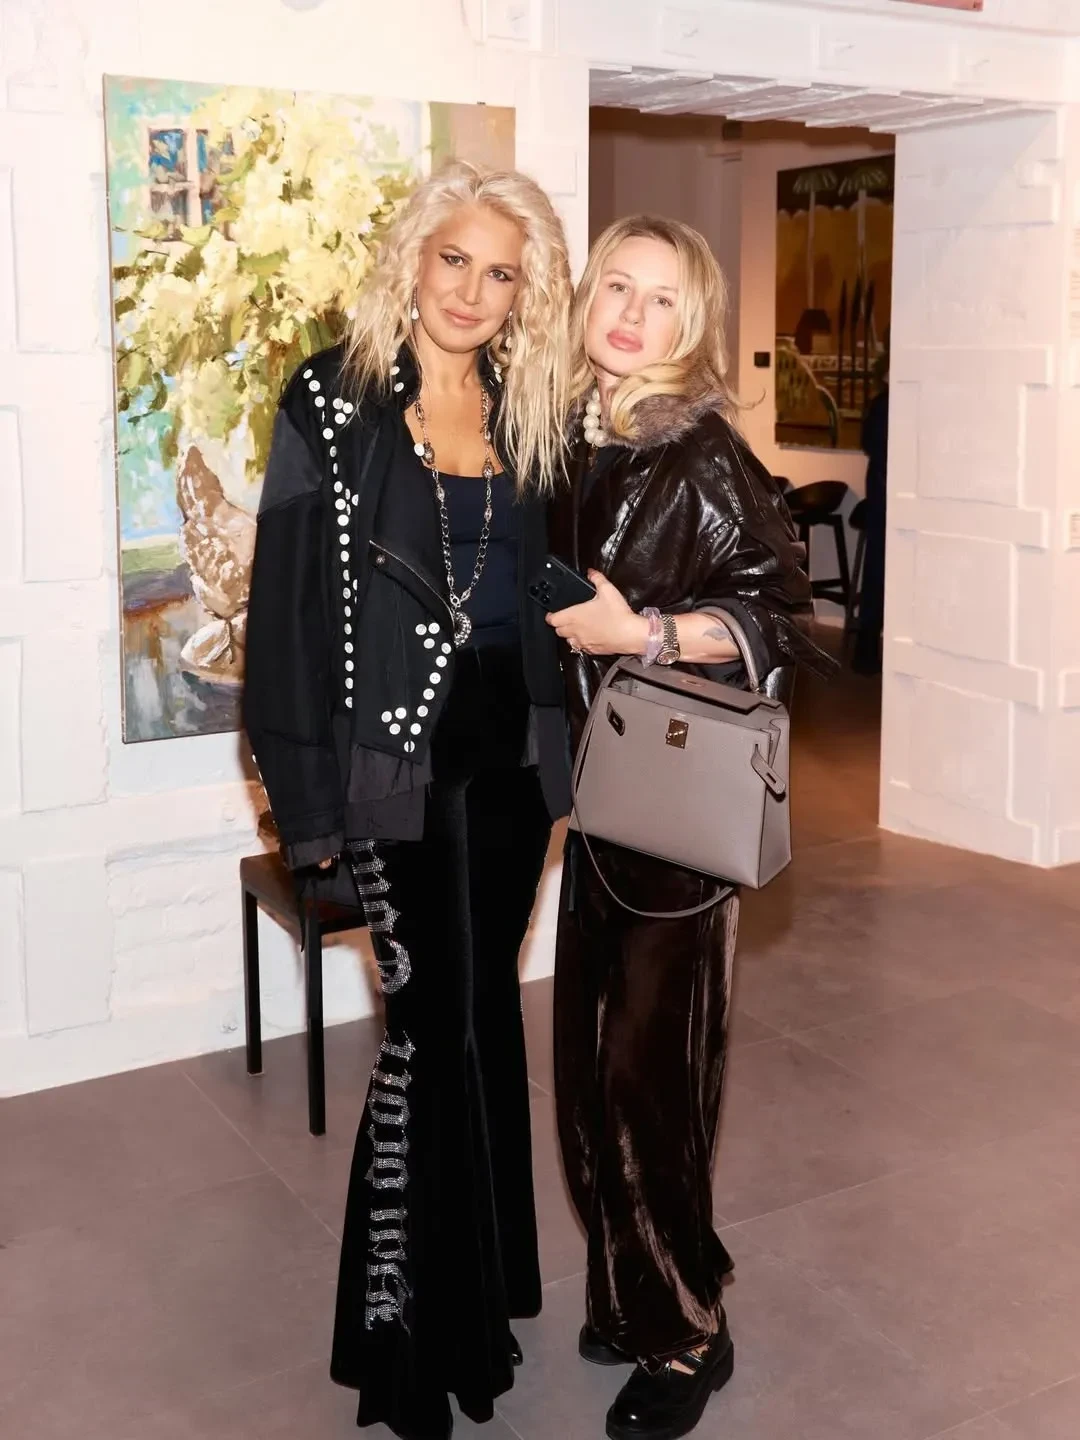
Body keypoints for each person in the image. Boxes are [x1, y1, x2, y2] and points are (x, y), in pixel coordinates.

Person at [243, 161, 573, 1440]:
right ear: (414, 257)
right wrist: (310, 813)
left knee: (484, 1017)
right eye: (455, 261)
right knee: (423, 1034)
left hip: (510, 761)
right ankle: (406, 1346)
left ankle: (483, 1304)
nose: (473, 293)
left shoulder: (525, 403)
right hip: (391, 762)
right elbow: (284, 620)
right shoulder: (333, 399)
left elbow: (543, 583)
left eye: (502, 274)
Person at [546, 216, 824, 1440]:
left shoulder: (699, 451)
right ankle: (634, 1286)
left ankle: (685, 1335)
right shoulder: (577, 436)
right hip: (601, 802)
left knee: (646, 1080)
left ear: (692, 322)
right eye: (617, 285)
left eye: (661, 299)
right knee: (587, 1077)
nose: (631, 314)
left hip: (674, 808)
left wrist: (647, 635)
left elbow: (782, 612)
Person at [853, 365, 889, 675]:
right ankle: (866, 649)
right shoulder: (887, 405)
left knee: (876, 573)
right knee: (877, 573)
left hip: (882, 498)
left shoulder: (881, 404)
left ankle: (866, 648)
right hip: (885, 501)